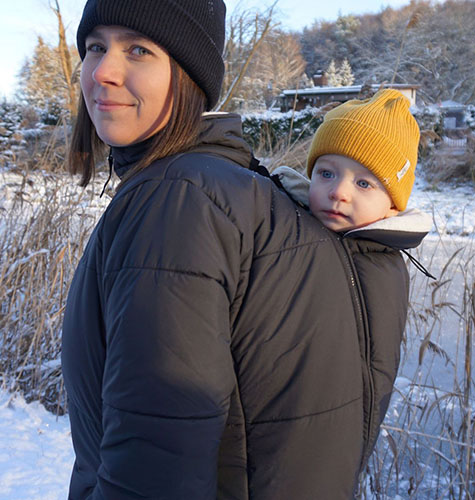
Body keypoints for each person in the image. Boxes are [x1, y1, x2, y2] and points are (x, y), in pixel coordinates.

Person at [62, 1, 430, 499]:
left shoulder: (180, 198)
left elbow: (155, 465)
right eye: (94, 46)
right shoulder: (239, 189)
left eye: (139, 49)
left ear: (190, 72)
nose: (102, 70)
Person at [274, 89, 432, 237]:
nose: (338, 193)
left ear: (392, 207)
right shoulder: (279, 224)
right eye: (327, 174)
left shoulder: (380, 264)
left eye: (363, 183)